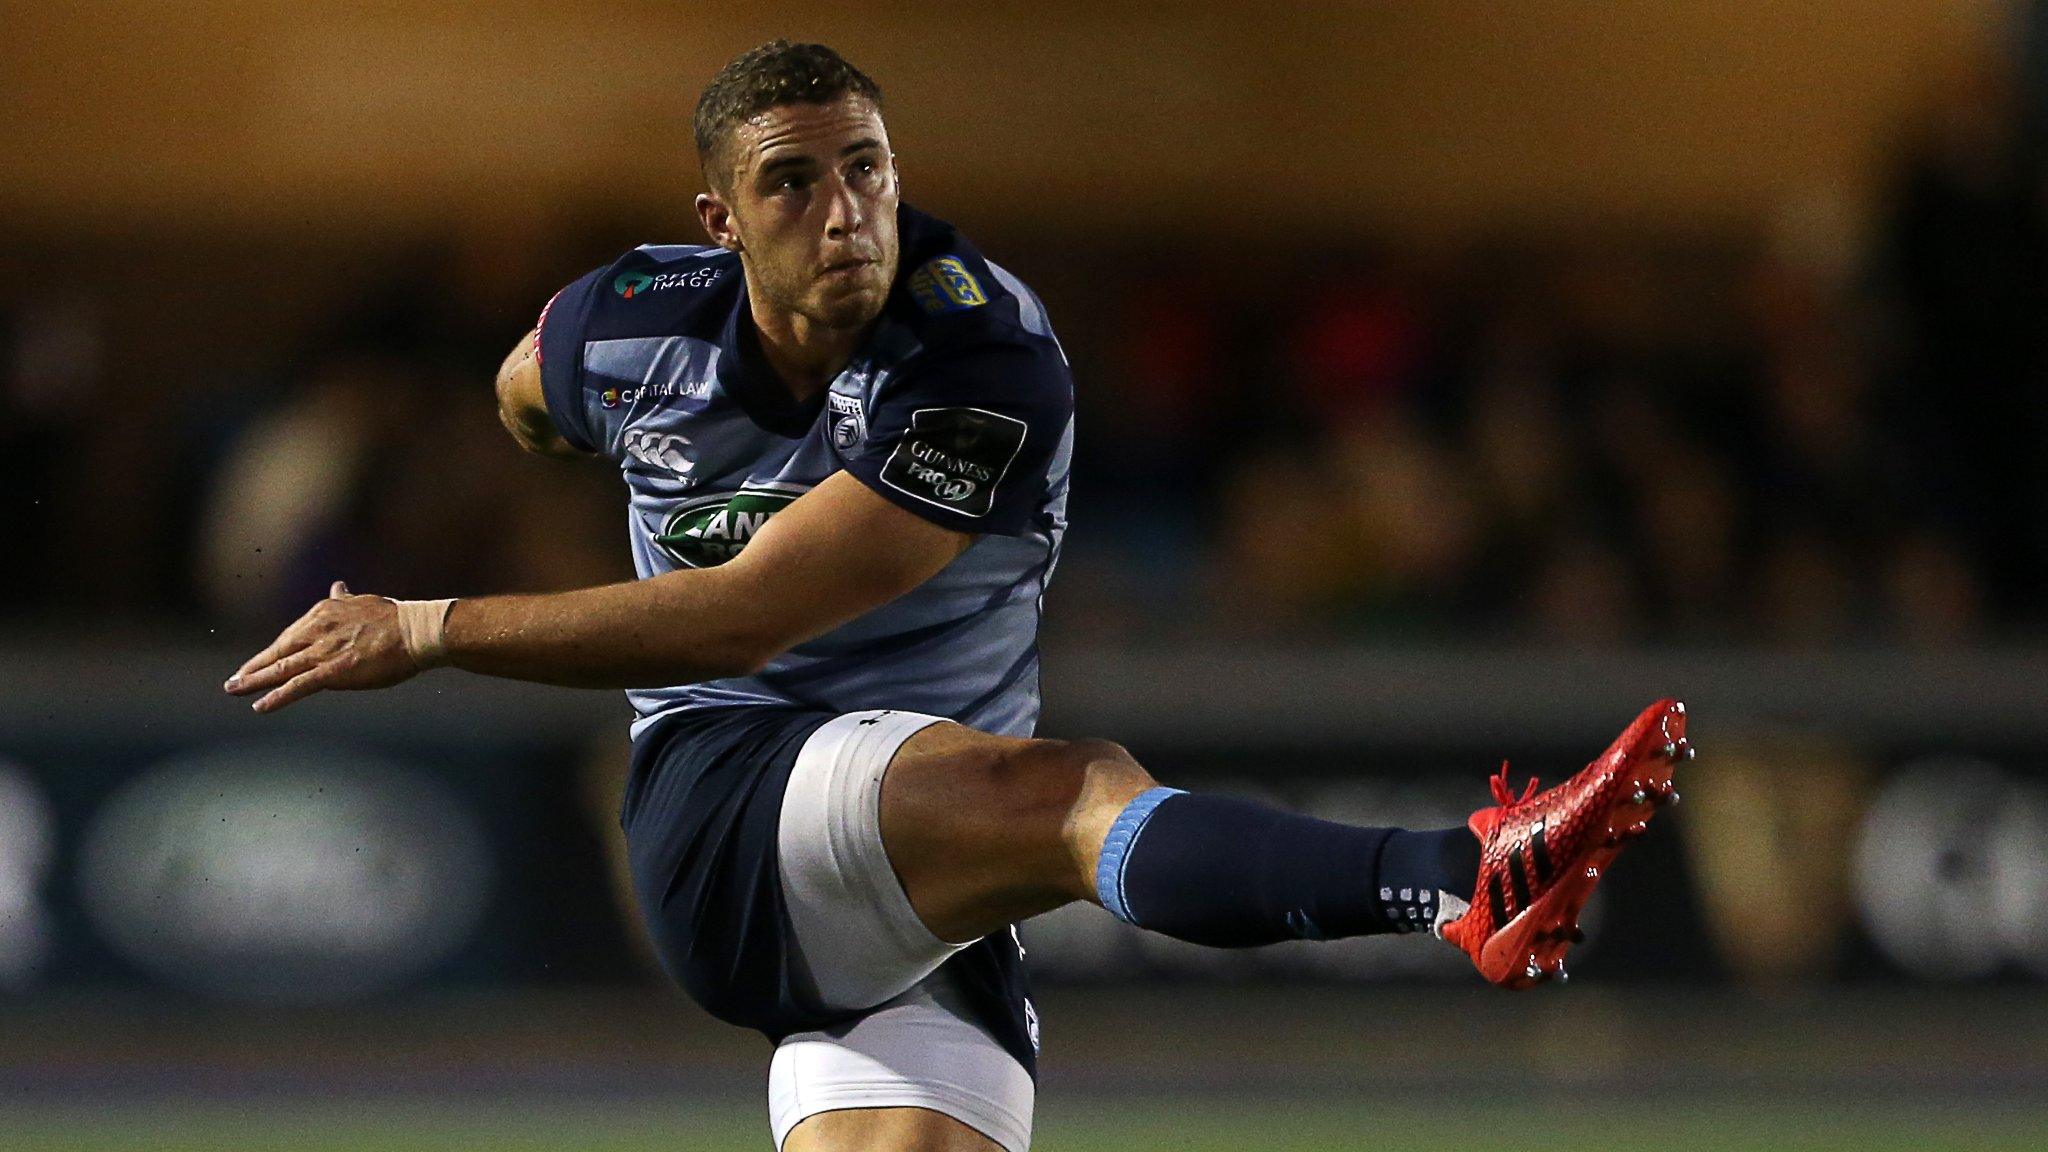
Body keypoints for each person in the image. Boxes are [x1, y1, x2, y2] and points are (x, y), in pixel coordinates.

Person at [224, 41, 1689, 1152]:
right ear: (720, 222)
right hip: (729, 807)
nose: (844, 208)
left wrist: (432, 624)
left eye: (865, 165)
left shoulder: (980, 360)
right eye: (792, 182)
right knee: (1080, 792)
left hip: (912, 872)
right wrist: (450, 580)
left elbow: (751, 600)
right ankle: (1459, 872)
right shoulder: (622, 323)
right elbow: (529, 395)